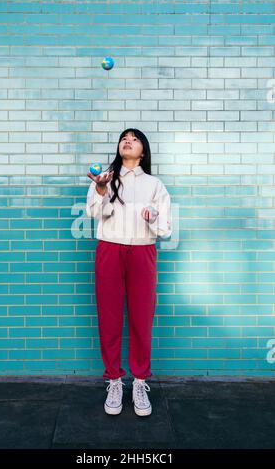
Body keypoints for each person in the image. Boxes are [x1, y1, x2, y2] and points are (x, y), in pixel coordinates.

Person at [85, 128, 172, 417]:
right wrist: (100, 190)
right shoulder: (106, 177)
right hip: (109, 249)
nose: (128, 141)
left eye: (134, 139)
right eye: (124, 138)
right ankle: (113, 381)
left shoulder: (155, 184)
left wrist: (154, 217)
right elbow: (94, 213)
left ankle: (139, 382)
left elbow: (165, 229)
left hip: (142, 251)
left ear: (143, 151)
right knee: (108, 316)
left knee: (141, 317)